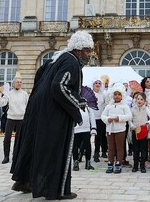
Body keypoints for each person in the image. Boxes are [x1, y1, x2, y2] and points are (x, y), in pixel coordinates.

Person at [10, 30, 94, 200]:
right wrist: (78, 101)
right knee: (55, 147)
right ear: (78, 50)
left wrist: (40, 96)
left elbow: (40, 73)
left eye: (90, 50)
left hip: (39, 106)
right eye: (87, 50)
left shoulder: (59, 57)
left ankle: (24, 180)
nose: (89, 54)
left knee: (34, 143)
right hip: (53, 111)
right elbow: (59, 86)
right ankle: (54, 189)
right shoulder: (71, 62)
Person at [0, 73, 29, 164]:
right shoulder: (9, 93)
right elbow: (2, 103)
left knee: (19, 138)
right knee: (7, 138)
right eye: (17, 82)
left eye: (20, 82)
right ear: (13, 84)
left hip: (21, 118)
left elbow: (28, 106)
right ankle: (6, 156)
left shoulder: (24, 94)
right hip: (11, 118)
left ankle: (16, 155)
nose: (19, 83)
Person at [101, 83, 132, 174]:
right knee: (110, 147)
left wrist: (119, 118)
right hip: (110, 129)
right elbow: (103, 116)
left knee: (119, 147)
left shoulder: (124, 106)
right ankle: (110, 163)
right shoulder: (109, 106)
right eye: (115, 94)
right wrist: (108, 119)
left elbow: (129, 116)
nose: (117, 96)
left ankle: (119, 163)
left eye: (119, 94)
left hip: (120, 129)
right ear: (112, 95)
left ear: (122, 96)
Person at [72, 86, 98, 172]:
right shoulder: (75, 109)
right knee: (75, 146)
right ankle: (75, 162)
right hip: (76, 130)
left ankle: (88, 162)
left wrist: (93, 128)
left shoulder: (89, 109)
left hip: (86, 130)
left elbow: (92, 119)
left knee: (88, 146)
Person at [129, 92, 150, 173]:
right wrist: (132, 126)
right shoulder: (133, 109)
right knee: (135, 149)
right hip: (135, 130)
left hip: (143, 131)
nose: (139, 101)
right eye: (138, 99)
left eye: (141, 99)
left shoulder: (146, 109)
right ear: (136, 100)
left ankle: (142, 165)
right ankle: (135, 165)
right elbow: (129, 119)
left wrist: (147, 123)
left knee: (143, 149)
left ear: (144, 101)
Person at [91, 78, 107, 163]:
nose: (97, 84)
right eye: (96, 83)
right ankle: (82, 152)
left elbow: (105, 104)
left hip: (100, 118)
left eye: (99, 83)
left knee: (99, 136)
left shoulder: (103, 94)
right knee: (88, 136)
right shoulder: (90, 93)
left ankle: (97, 152)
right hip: (91, 117)